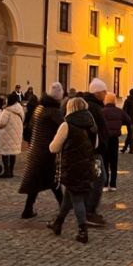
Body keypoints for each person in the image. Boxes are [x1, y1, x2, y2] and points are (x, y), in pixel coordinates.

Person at [47, 98, 97, 243]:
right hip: (87, 164)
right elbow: (96, 144)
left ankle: (82, 231)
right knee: (69, 196)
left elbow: (53, 148)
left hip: (71, 166)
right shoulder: (91, 124)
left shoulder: (66, 125)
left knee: (76, 198)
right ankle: (58, 223)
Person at [19, 83, 65, 219]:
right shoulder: (53, 111)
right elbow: (64, 128)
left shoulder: (39, 109)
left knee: (36, 180)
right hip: (47, 151)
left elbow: (29, 129)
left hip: (35, 149)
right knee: (53, 180)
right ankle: (64, 207)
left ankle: (27, 209)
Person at [82, 78, 109, 226]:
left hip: (92, 150)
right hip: (94, 151)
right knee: (99, 179)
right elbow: (95, 129)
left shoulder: (92, 105)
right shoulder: (93, 107)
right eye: (104, 91)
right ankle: (89, 212)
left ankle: (83, 211)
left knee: (89, 180)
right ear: (97, 92)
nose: (106, 94)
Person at [101, 93, 131, 192]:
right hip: (114, 139)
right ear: (114, 101)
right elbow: (128, 120)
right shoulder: (119, 111)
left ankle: (105, 184)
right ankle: (113, 184)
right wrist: (119, 123)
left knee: (104, 162)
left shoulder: (102, 112)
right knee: (114, 162)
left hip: (105, 139)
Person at [0, 93, 25, 178]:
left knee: (5, 152)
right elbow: (23, 119)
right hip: (16, 133)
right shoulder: (20, 108)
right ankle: (11, 171)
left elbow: (2, 123)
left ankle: (6, 171)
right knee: (12, 153)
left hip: (6, 134)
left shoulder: (7, 110)